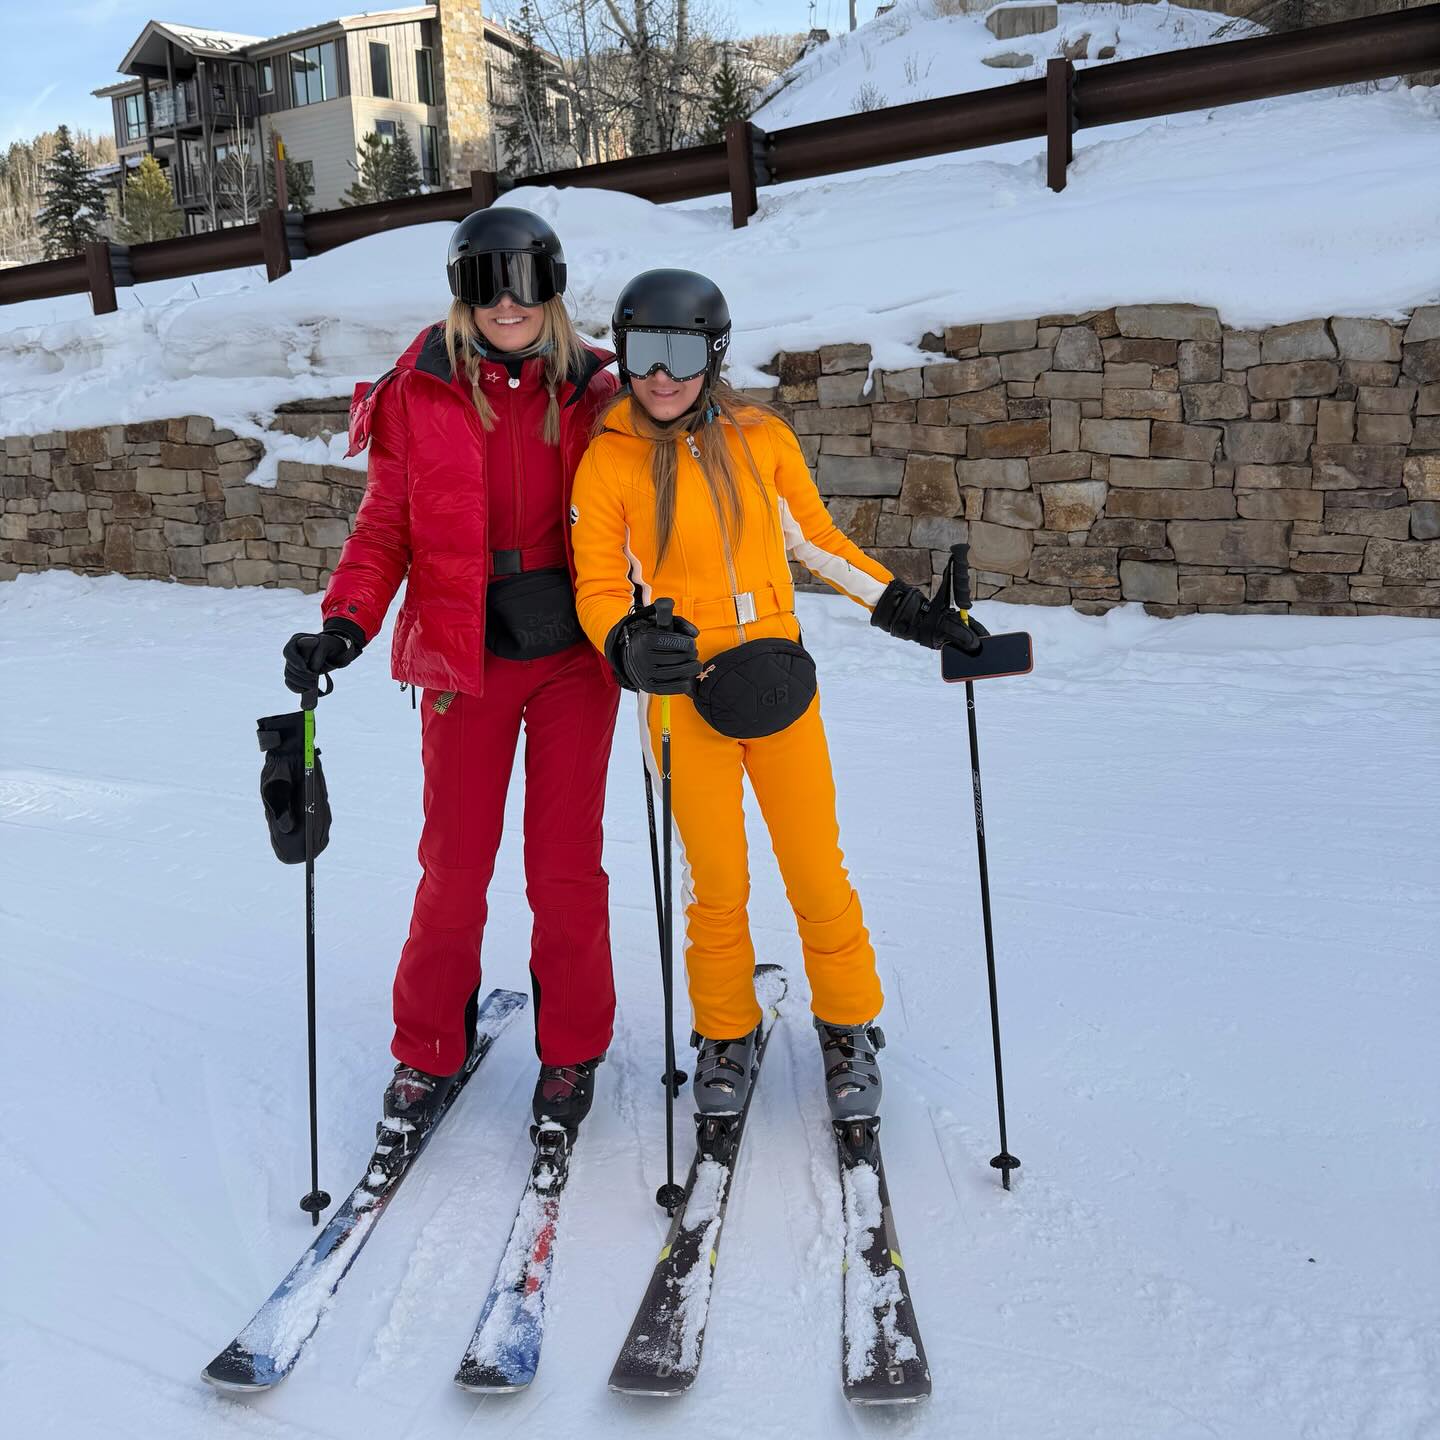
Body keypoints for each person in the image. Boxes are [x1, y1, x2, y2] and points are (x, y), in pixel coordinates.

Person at [569, 269, 980, 1126]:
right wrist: (627, 645)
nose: (662, 375)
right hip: (682, 696)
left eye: (683, 352)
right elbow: (598, 584)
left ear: (713, 353)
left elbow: (817, 541)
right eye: (645, 351)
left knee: (813, 866)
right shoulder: (607, 459)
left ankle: (847, 1024)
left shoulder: (761, 438)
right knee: (715, 882)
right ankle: (726, 1030)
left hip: (778, 682)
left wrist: (907, 611)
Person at [281, 207, 621, 1145]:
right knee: (455, 865)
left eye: (524, 281)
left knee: (563, 868)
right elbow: (386, 524)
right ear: (460, 292)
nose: (507, 303)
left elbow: (645, 510)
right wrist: (345, 623)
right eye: (484, 282)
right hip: (462, 655)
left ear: (552, 288)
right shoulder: (415, 392)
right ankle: (428, 1043)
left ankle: (573, 1046)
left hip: (571, 655)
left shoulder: (601, 389)